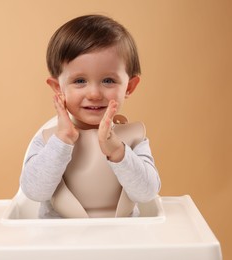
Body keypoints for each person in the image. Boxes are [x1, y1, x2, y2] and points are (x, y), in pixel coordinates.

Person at [20, 14, 161, 218]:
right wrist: (62, 141)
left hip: (123, 239)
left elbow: (147, 192)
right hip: (61, 241)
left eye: (108, 80)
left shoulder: (133, 138)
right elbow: (34, 191)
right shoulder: (48, 140)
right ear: (58, 88)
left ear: (129, 86)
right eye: (79, 81)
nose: (94, 94)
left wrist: (118, 152)